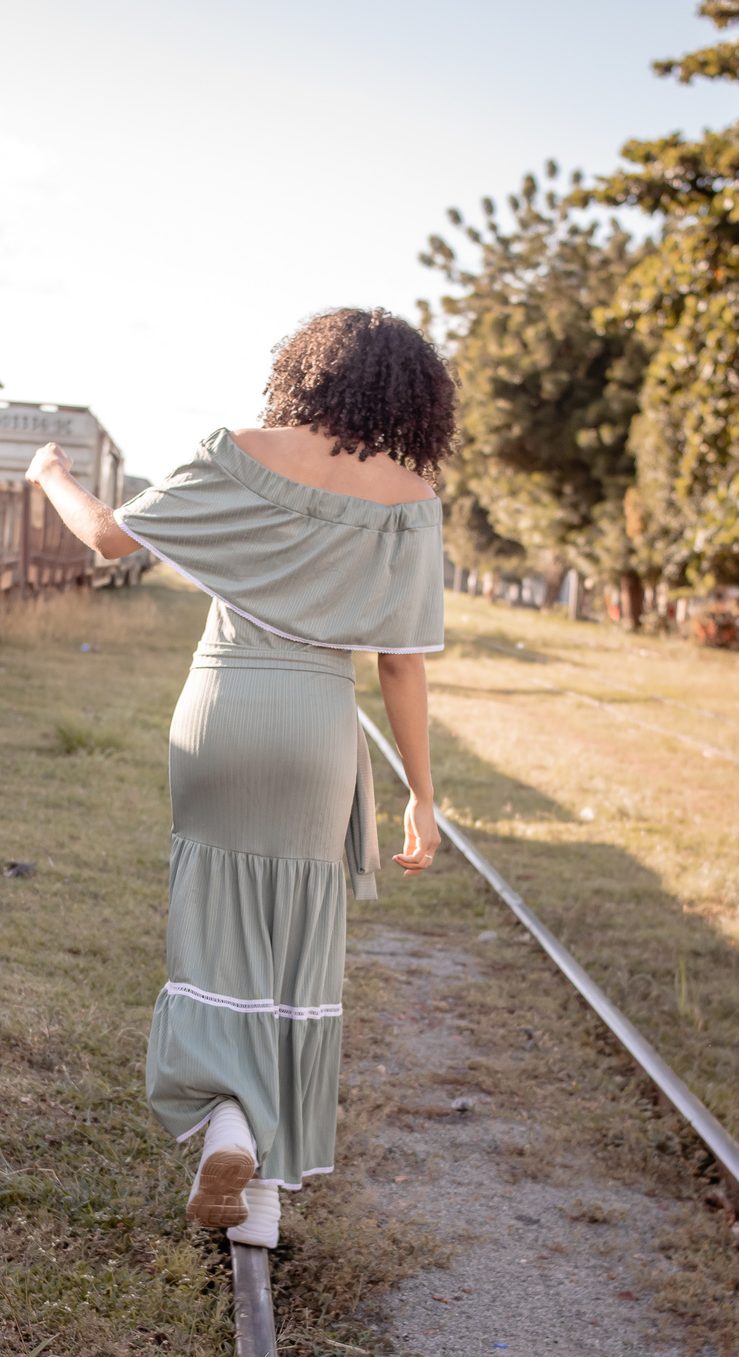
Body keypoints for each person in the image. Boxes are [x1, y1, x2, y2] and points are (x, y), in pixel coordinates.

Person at [27, 307, 451, 1249]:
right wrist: (422, 795)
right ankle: (258, 1190)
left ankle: (224, 1122)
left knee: (213, 929)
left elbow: (107, 538)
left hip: (220, 711)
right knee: (294, 946)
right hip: (316, 725)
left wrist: (51, 472)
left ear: (305, 372)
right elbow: (400, 665)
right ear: (412, 399)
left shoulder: (238, 453)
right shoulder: (410, 500)